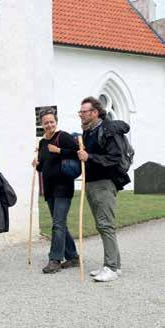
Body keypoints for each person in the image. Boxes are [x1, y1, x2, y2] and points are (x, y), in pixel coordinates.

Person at [77, 96, 129, 282]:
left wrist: (89, 157)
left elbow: (113, 158)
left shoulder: (107, 131)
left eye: (84, 112)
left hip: (104, 183)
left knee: (105, 224)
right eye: (80, 112)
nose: (81, 115)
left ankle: (111, 268)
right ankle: (115, 264)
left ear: (95, 112)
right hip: (91, 182)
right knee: (102, 225)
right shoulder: (89, 132)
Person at [32, 109, 80, 274]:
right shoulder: (42, 143)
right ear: (41, 124)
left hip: (64, 187)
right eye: (46, 122)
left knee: (57, 223)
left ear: (56, 121)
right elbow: (44, 165)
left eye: (51, 121)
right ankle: (73, 257)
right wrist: (37, 164)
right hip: (50, 189)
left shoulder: (64, 137)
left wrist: (59, 151)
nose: (49, 125)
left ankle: (55, 259)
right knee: (60, 223)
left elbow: (78, 154)